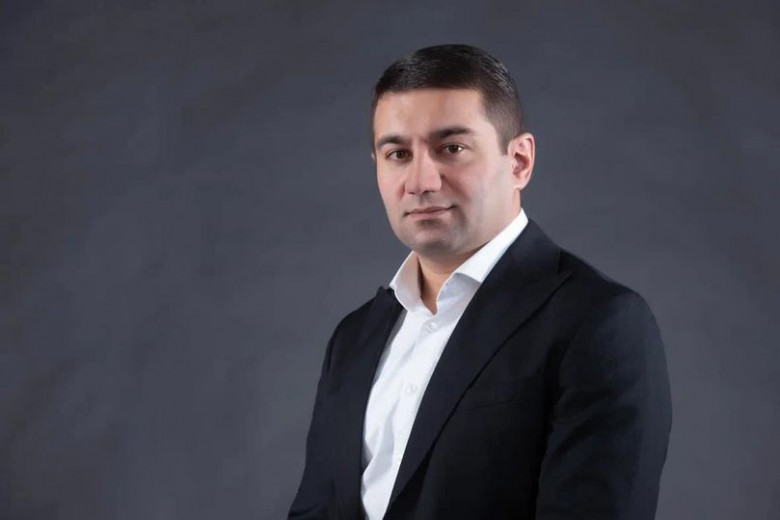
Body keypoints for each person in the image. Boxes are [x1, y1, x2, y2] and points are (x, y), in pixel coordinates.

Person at [288, 44, 672, 520]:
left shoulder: (598, 322)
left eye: (451, 148)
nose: (421, 180)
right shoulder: (353, 338)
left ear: (519, 162)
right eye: (398, 153)